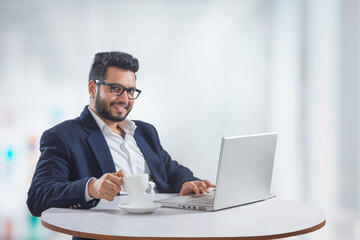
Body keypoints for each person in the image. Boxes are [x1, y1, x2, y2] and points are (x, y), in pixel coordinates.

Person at [27, 51, 215, 220]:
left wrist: (188, 182)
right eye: (116, 89)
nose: (125, 99)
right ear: (92, 88)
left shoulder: (145, 132)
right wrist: (92, 188)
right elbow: (37, 196)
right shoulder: (63, 136)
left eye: (131, 91)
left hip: (163, 227)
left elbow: (169, 168)